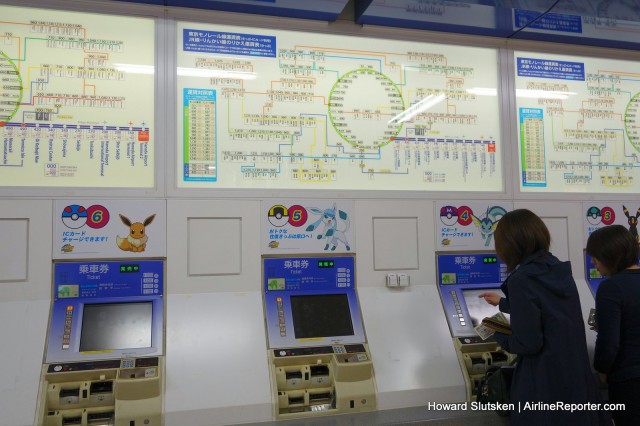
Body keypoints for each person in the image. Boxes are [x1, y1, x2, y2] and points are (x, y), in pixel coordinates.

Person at [479, 209, 608, 425]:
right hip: (575, 379)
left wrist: (496, 332)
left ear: (510, 244)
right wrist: (502, 303)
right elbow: (548, 310)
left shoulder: (521, 279)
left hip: (543, 384)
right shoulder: (558, 269)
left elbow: (528, 343)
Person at [586, 224, 640, 426]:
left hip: (629, 381)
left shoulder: (611, 287)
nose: (593, 262)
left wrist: (602, 369)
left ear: (610, 256)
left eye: (596, 257)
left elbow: (609, 342)